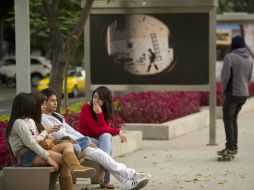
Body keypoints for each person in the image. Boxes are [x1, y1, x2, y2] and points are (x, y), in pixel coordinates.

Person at [40, 88, 151, 190]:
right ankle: (130, 175)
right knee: (102, 154)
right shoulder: (44, 119)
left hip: (77, 143)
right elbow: (61, 136)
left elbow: (72, 131)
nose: (55, 103)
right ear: (44, 102)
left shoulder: (57, 116)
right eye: (51, 100)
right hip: (66, 146)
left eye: (56, 100)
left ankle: (126, 180)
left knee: (103, 151)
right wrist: (86, 142)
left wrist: (85, 140)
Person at [6, 92, 96, 190]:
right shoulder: (18, 123)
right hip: (27, 156)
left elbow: (37, 139)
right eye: (32, 104)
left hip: (37, 150)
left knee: (67, 144)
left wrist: (46, 135)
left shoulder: (30, 121)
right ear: (25, 106)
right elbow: (31, 143)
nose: (34, 106)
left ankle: (76, 167)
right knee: (65, 161)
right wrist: (48, 157)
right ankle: (75, 167)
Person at [78, 86, 127, 189]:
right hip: (85, 140)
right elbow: (96, 130)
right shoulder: (86, 108)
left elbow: (104, 130)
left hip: (98, 141)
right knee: (108, 144)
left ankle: (102, 173)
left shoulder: (106, 111)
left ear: (105, 101)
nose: (95, 100)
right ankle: (105, 178)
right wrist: (118, 131)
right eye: (95, 97)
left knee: (107, 136)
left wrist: (100, 114)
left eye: (100, 99)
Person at [218, 35, 253, 156]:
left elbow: (225, 77)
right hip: (243, 94)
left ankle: (230, 148)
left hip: (232, 93)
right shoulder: (249, 59)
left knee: (227, 119)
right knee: (233, 119)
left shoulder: (230, 57)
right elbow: (248, 78)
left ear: (233, 45)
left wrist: (224, 91)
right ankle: (233, 146)